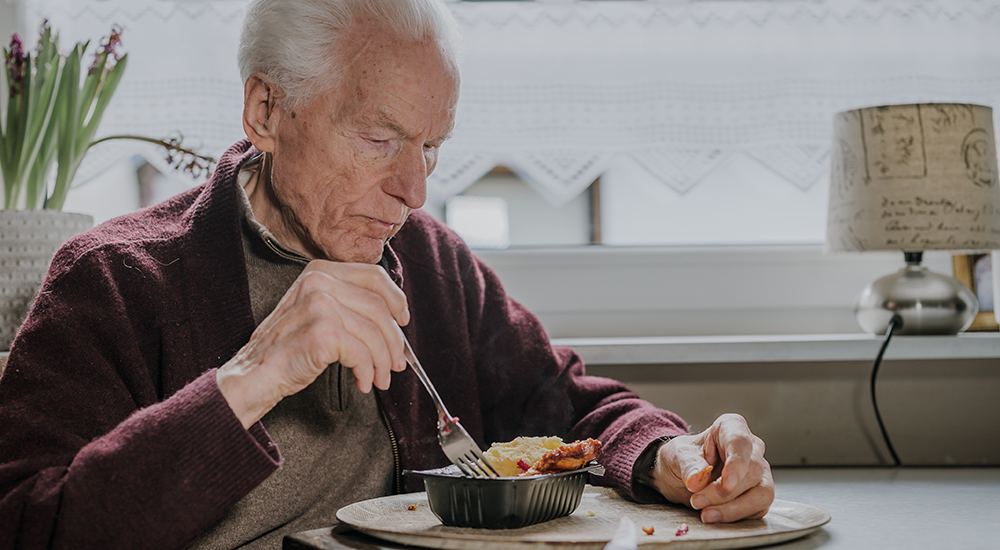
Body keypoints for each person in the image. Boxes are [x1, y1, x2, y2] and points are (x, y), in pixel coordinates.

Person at [0, 0, 773, 548]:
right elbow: (28, 524)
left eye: (431, 147)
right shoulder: (111, 280)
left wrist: (671, 456)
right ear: (266, 111)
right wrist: (254, 373)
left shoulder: (430, 262)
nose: (415, 191)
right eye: (378, 139)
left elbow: (568, 407)